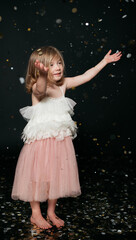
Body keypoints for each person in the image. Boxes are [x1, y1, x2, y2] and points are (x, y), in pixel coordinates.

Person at [11, 46, 122, 229]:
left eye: (59, 62)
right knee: (37, 177)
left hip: (60, 142)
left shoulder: (63, 84)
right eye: (51, 64)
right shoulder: (38, 86)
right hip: (40, 142)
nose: (57, 67)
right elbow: (40, 90)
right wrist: (42, 75)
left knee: (56, 176)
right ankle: (36, 214)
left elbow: (85, 76)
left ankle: (51, 212)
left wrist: (104, 62)